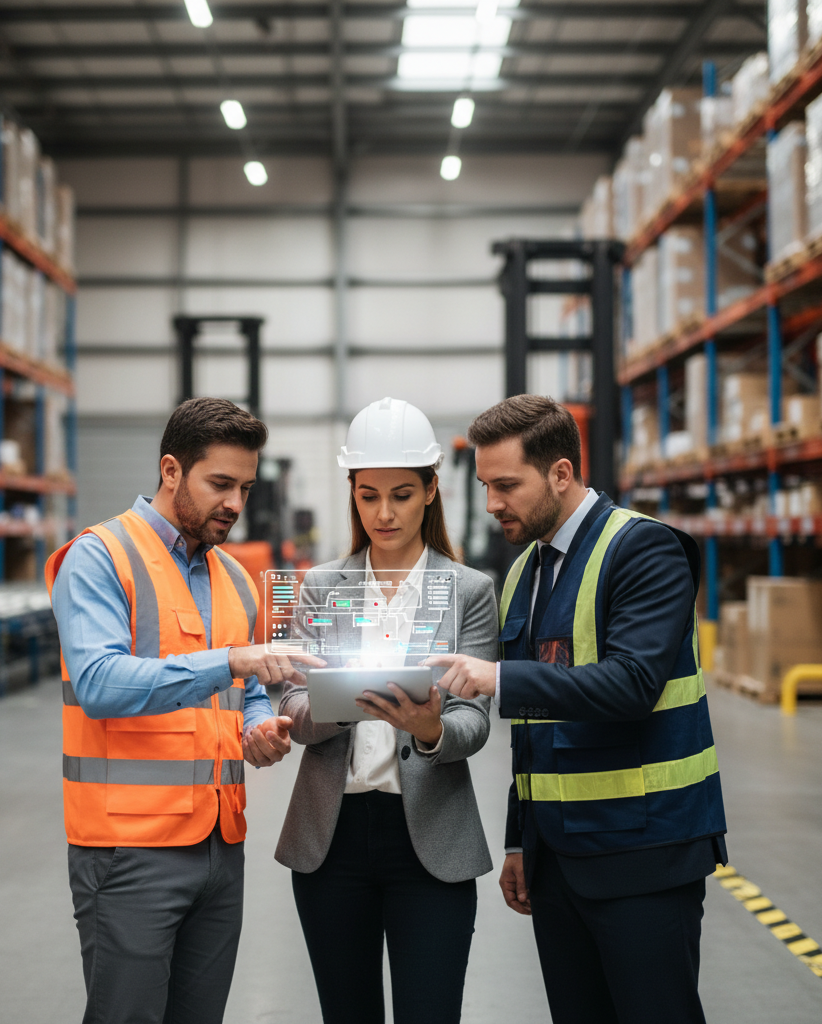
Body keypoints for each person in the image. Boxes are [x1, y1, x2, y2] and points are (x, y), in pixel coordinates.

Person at [429, 395, 728, 1024]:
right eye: (486, 485)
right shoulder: (524, 574)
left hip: (644, 852)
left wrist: (501, 677)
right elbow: (535, 733)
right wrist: (520, 840)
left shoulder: (645, 552)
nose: (492, 504)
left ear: (561, 473)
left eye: (506, 485)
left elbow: (631, 684)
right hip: (560, 862)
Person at [46, 397, 325, 1024]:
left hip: (220, 847)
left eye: (245, 487)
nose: (235, 503)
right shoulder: (99, 557)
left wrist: (258, 728)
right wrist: (231, 663)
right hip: (128, 850)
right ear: (171, 471)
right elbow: (98, 682)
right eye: (220, 484)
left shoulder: (231, 576)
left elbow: (246, 695)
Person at [275, 396, 498, 1024]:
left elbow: (475, 721)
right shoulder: (320, 587)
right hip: (332, 839)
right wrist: (344, 706)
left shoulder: (468, 591)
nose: (383, 512)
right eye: (368, 495)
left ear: (431, 491)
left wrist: (429, 730)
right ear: (352, 492)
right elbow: (291, 708)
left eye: (401, 494)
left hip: (429, 838)